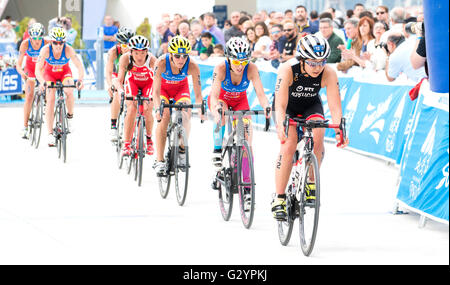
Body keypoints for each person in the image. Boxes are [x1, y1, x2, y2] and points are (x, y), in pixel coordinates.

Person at [271, 34, 348, 220]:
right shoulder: (288, 69)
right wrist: (281, 124)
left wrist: (339, 129)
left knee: (319, 134)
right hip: (287, 107)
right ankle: (279, 197)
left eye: (321, 62)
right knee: (288, 144)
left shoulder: (328, 72)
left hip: (310, 105)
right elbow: (280, 105)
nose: (317, 68)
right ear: (302, 59)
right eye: (312, 63)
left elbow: (335, 106)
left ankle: (311, 183)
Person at [208, 37, 271, 207]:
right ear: (228, 58)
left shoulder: (251, 69)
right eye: (236, 61)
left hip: (240, 102)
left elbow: (261, 94)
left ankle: (247, 188)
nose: (239, 65)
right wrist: (217, 109)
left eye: (244, 61)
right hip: (222, 100)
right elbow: (214, 96)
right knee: (221, 114)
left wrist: (266, 107)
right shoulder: (221, 68)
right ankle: (217, 149)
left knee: (246, 145)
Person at [152, 35, 204, 176]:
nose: (181, 59)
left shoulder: (193, 66)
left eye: (184, 56)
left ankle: (182, 148)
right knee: (165, 116)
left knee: (186, 113)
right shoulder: (161, 62)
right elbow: (155, 92)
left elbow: (198, 96)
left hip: (181, 90)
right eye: (177, 56)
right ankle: (160, 160)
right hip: (163, 90)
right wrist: (157, 108)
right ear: (170, 54)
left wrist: (200, 109)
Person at [35, 27, 84, 146]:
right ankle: (50, 133)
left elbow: (79, 66)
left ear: (64, 42)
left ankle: (70, 116)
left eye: (61, 42)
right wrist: (42, 82)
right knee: (51, 99)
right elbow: (38, 69)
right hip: (49, 74)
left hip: (64, 73)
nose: (58, 45)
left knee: (69, 91)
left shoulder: (68, 49)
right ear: (51, 42)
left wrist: (80, 80)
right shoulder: (45, 50)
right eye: (55, 42)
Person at [116, 35, 157, 156]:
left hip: (148, 83)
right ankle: (127, 144)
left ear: (147, 52)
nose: (140, 57)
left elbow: (157, 80)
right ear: (131, 51)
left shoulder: (153, 60)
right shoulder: (125, 58)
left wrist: (156, 96)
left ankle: (149, 140)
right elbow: (120, 80)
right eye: (136, 53)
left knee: (147, 108)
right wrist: (121, 91)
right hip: (132, 82)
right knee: (132, 109)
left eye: (143, 53)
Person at [16, 23, 49, 139]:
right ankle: (25, 127)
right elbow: (18, 65)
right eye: (34, 38)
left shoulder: (47, 43)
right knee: (29, 96)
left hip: (42, 69)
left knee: (48, 87)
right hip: (30, 70)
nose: (36, 41)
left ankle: (45, 103)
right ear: (30, 37)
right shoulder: (25, 44)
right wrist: (23, 75)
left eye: (39, 38)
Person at [105, 26, 135, 141]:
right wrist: (109, 85)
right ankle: (113, 125)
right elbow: (108, 71)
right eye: (123, 45)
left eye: (129, 44)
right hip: (117, 75)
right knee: (117, 93)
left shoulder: (137, 52)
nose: (126, 48)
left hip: (131, 76)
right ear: (119, 44)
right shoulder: (114, 52)